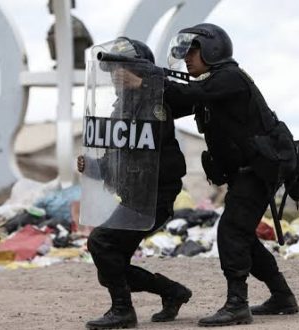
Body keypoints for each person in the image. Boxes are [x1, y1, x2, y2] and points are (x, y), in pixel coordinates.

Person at [164, 23, 299, 326]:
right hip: (247, 173)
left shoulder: (229, 78)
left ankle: (237, 304)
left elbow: (190, 93)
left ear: (212, 50)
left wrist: (151, 79)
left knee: (231, 232)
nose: (187, 57)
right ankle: (282, 296)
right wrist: (143, 87)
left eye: (193, 50)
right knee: (242, 236)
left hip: (258, 171)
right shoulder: (213, 85)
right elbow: (178, 102)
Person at [79, 37, 190, 330]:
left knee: (101, 243)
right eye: (112, 70)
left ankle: (123, 311)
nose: (116, 75)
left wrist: (142, 82)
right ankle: (172, 292)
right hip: (134, 196)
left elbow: (168, 88)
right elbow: (115, 161)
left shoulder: (156, 100)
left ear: (138, 70)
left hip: (154, 196)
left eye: (122, 69)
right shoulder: (122, 108)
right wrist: (91, 167)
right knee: (112, 265)